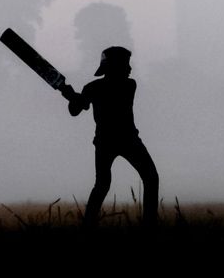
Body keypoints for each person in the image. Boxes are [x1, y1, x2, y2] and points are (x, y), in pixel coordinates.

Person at [62, 45, 158, 228]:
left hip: (119, 140)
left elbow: (80, 106)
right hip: (119, 141)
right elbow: (75, 109)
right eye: (125, 64)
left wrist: (74, 97)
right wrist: (71, 97)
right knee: (111, 182)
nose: (130, 69)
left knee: (109, 183)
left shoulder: (126, 85)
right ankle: (147, 225)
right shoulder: (98, 88)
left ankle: (147, 224)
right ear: (114, 66)